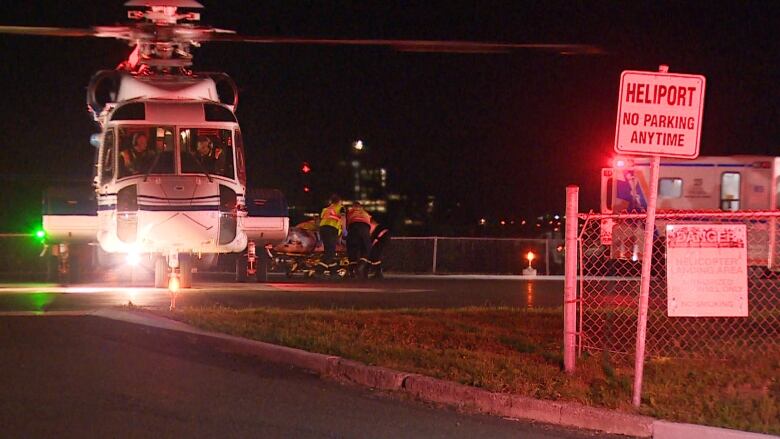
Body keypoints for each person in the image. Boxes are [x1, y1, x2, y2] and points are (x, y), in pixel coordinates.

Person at [317, 194, 345, 276]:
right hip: (332, 230)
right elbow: (343, 219)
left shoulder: (326, 209)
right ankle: (319, 269)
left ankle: (333, 270)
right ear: (339, 201)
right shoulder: (341, 208)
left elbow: (321, 220)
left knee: (328, 250)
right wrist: (344, 230)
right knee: (330, 252)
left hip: (323, 229)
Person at [345, 201, 372, 278]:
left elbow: (345, 224)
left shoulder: (350, 212)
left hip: (353, 228)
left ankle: (352, 271)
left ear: (353, 207)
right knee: (367, 249)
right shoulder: (365, 213)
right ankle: (361, 265)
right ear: (361, 207)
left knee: (352, 250)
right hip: (365, 229)